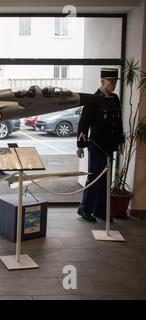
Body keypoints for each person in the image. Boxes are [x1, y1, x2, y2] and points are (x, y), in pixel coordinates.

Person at [76, 68, 125, 223]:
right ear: (102, 81)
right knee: (95, 178)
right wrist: (80, 145)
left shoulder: (114, 99)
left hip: (109, 146)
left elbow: (118, 122)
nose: (114, 85)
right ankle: (85, 208)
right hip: (96, 145)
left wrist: (120, 141)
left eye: (115, 82)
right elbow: (84, 123)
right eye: (111, 82)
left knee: (106, 180)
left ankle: (101, 210)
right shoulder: (93, 99)